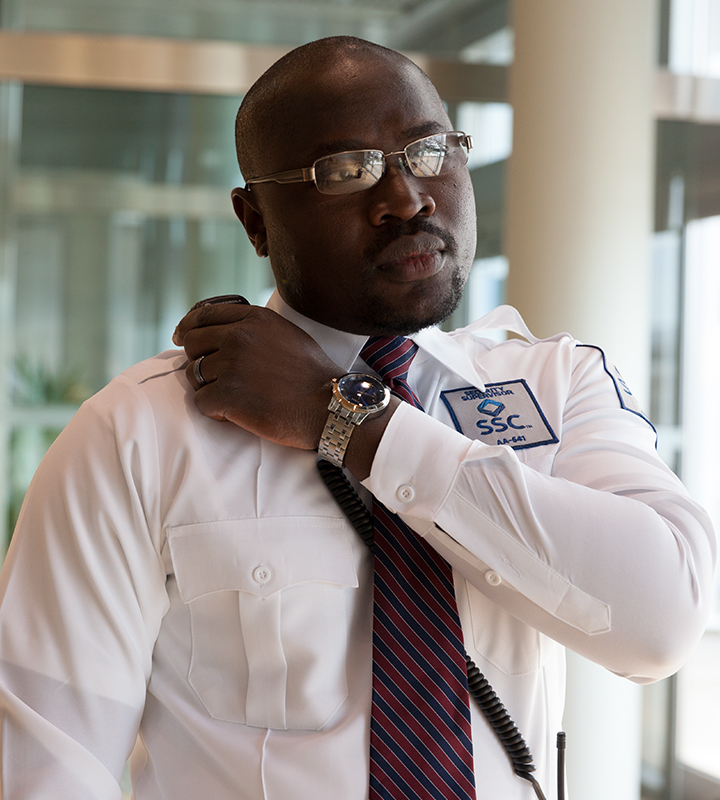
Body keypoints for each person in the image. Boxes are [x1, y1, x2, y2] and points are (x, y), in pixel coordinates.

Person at [0, 35, 715, 800]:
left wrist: (344, 417)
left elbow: (661, 620)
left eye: (428, 150)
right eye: (345, 172)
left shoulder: (558, 382)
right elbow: (49, 762)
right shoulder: (138, 433)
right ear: (255, 222)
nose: (407, 198)